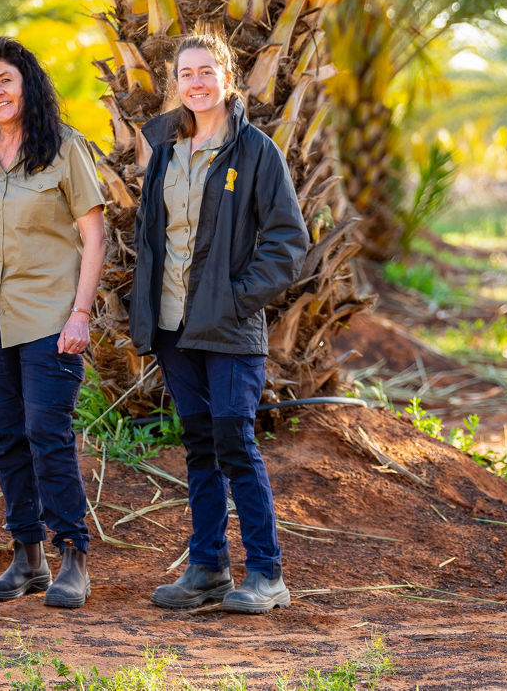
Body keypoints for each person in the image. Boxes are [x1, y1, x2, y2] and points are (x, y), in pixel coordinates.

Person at [125, 33, 308, 614]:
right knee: (200, 444)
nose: (197, 82)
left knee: (235, 439)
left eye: (208, 71)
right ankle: (206, 568)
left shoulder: (255, 151)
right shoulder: (164, 149)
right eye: (186, 73)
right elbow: (154, 239)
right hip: (174, 325)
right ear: (174, 83)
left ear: (228, 78)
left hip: (229, 326)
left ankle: (267, 572)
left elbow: (287, 241)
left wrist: (236, 298)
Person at [0, 37, 106, 609]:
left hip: (49, 316)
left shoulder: (64, 148)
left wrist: (81, 313)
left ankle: (73, 558)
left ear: (27, 84)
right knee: (8, 436)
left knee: (47, 432)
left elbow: (93, 234)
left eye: (5, 80)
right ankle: (26, 556)